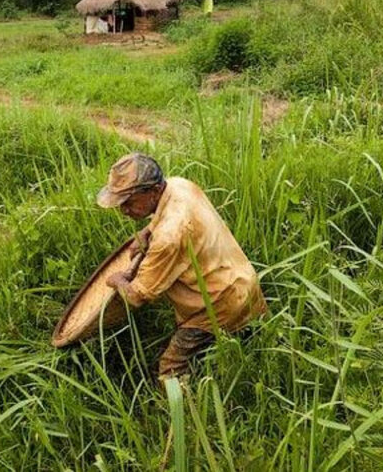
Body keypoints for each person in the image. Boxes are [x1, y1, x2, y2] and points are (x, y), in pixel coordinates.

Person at [97, 152, 268, 378]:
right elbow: (166, 216)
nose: (123, 210)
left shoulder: (168, 237)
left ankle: (184, 408)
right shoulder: (178, 186)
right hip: (243, 281)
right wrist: (148, 230)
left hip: (216, 304)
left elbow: (138, 296)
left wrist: (117, 280)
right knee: (260, 338)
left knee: (170, 368)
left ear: (153, 191)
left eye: (128, 202)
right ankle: (258, 352)